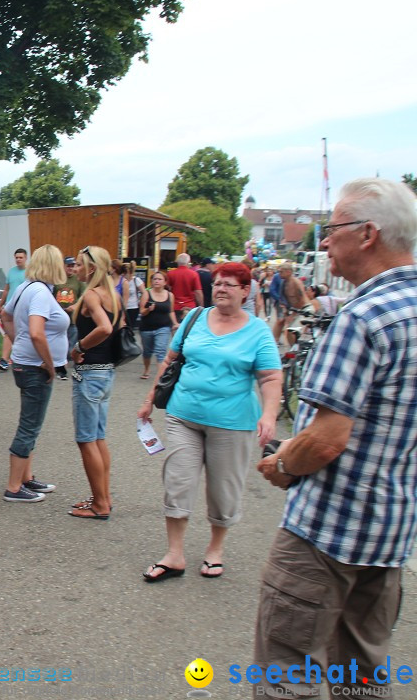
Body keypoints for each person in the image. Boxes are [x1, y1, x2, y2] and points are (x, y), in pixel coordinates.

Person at [252, 178, 417, 698]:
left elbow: (325, 440)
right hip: (390, 534)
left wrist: (281, 465)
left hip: (326, 533)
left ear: (368, 234)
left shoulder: (364, 316)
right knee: (362, 678)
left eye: (333, 230)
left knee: (285, 677)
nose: (323, 243)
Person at [136, 261, 281, 583]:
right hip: (183, 415)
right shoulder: (195, 317)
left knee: (223, 489)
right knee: (177, 481)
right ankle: (174, 555)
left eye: (229, 284)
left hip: (233, 423)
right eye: (217, 283)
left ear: (245, 291)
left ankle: (215, 550)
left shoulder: (257, 330)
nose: (221, 289)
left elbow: (270, 376)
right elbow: (171, 361)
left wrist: (269, 415)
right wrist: (149, 401)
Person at [0, 244, 67, 503]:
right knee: (30, 425)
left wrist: (18, 342)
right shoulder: (39, 292)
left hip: (25, 362)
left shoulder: (26, 287)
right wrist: (50, 364)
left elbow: (5, 315)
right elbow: (38, 332)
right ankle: (14, 487)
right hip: (35, 368)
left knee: (31, 422)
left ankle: (26, 477)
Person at [67, 246, 121, 520]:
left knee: (86, 439)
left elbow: (104, 328)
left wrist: (78, 347)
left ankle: (100, 504)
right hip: (106, 373)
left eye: (78, 264)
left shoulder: (91, 294)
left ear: (91, 268)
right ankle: (103, 496)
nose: (74, 269)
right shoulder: (112, 295)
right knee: (98, 438)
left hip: (89, 373)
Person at [137, 271, 179, 380]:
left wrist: (175, 323)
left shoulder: (170, 295)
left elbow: (171, 311)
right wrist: (148, 309)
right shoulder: (147, 293)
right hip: (147, 327)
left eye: (159, 279)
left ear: (165, 282)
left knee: (161, 350)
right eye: (155, 279)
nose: (156, 281)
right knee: (147, 351)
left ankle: (161, 375)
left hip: (163, 327)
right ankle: (146, 370)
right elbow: (141, 311)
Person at [52, 255, 86, 380]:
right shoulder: (58, 279)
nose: (71, 268)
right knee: (59, 343)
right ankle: (61, 369)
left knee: (71, 344)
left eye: (73, 265)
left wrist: (75, 306)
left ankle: (68, 366)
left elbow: (83, 297)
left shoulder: (79, 280)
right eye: (68, 266)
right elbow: (51, 295)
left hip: (72, 319)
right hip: (59, 318)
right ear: (64, 266)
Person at [0, 248, 28, 371]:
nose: (18, 259)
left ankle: (24, 358)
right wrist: (0, 303)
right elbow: (7, 289)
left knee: (22, 333)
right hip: (10, 306)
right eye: (16, 257)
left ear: (26, 258)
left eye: (21, 257)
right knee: (8, 333)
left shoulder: (29, 273)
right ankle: (4, 360)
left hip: (23, 307)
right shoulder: (11, 272)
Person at [271, 263, 309, 343]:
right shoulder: (284, 283)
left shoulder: (296, 283)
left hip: (303, 310)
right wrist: (286, 312)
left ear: (288, 272)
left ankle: (295, 348)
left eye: (281, 272)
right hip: (292, 309)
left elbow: (302, 300)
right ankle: (276, 342)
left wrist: (293, 314)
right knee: (283, 325)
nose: (279, 274)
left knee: (291, 331)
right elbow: (283, 298)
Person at [166, 253, 203, 320]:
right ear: (188, 262)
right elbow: (198, 292)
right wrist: (201, 307)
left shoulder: (170, 274)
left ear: (177, 262)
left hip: (174, 306)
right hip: (190, 306)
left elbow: (167, 289)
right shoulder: (194, 274)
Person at [122, 263, 145, 329]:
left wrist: (141, 303)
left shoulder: (136, 280)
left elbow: (144, 292)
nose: (123, 275)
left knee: (129, 326)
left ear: (129, 272)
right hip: (122, 306)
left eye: (125, 273)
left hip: (133, 307)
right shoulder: (121, 280)